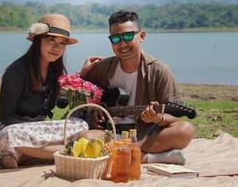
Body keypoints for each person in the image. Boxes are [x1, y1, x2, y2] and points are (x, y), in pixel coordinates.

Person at [81, 10, 194, 164]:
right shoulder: (102, 67)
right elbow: (79, 93)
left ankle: (124, 152)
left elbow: (173, 117)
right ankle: (149, 157)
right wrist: (94, 111)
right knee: (85, 138)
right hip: (110, 134)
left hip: (143, 135)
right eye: (115, 38)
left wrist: (158, 118)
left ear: (141, 36)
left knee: (185, 130)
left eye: (128, 36)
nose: (122, 44)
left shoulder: (159, 70)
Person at [0, 14, 89, 169]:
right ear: (38, 40)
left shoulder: (55, 72)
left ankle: (27, 155)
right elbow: (5, 115)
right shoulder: (16, 71)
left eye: (62, 43)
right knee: (11, 136)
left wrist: (81, 79)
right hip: (14, 129)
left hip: (40, 130)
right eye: (51, 40)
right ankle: (66, 151)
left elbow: (60, 103)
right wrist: (37, 131)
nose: (56, 48)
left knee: (81, 125)